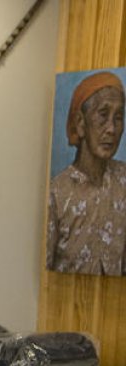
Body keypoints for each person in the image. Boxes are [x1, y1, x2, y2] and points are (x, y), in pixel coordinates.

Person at [47, 70, 126, 275]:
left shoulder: (124, 182)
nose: (111, 128)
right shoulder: (58, 194)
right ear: (81, 123)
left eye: (118, 117)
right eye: (102, 114)